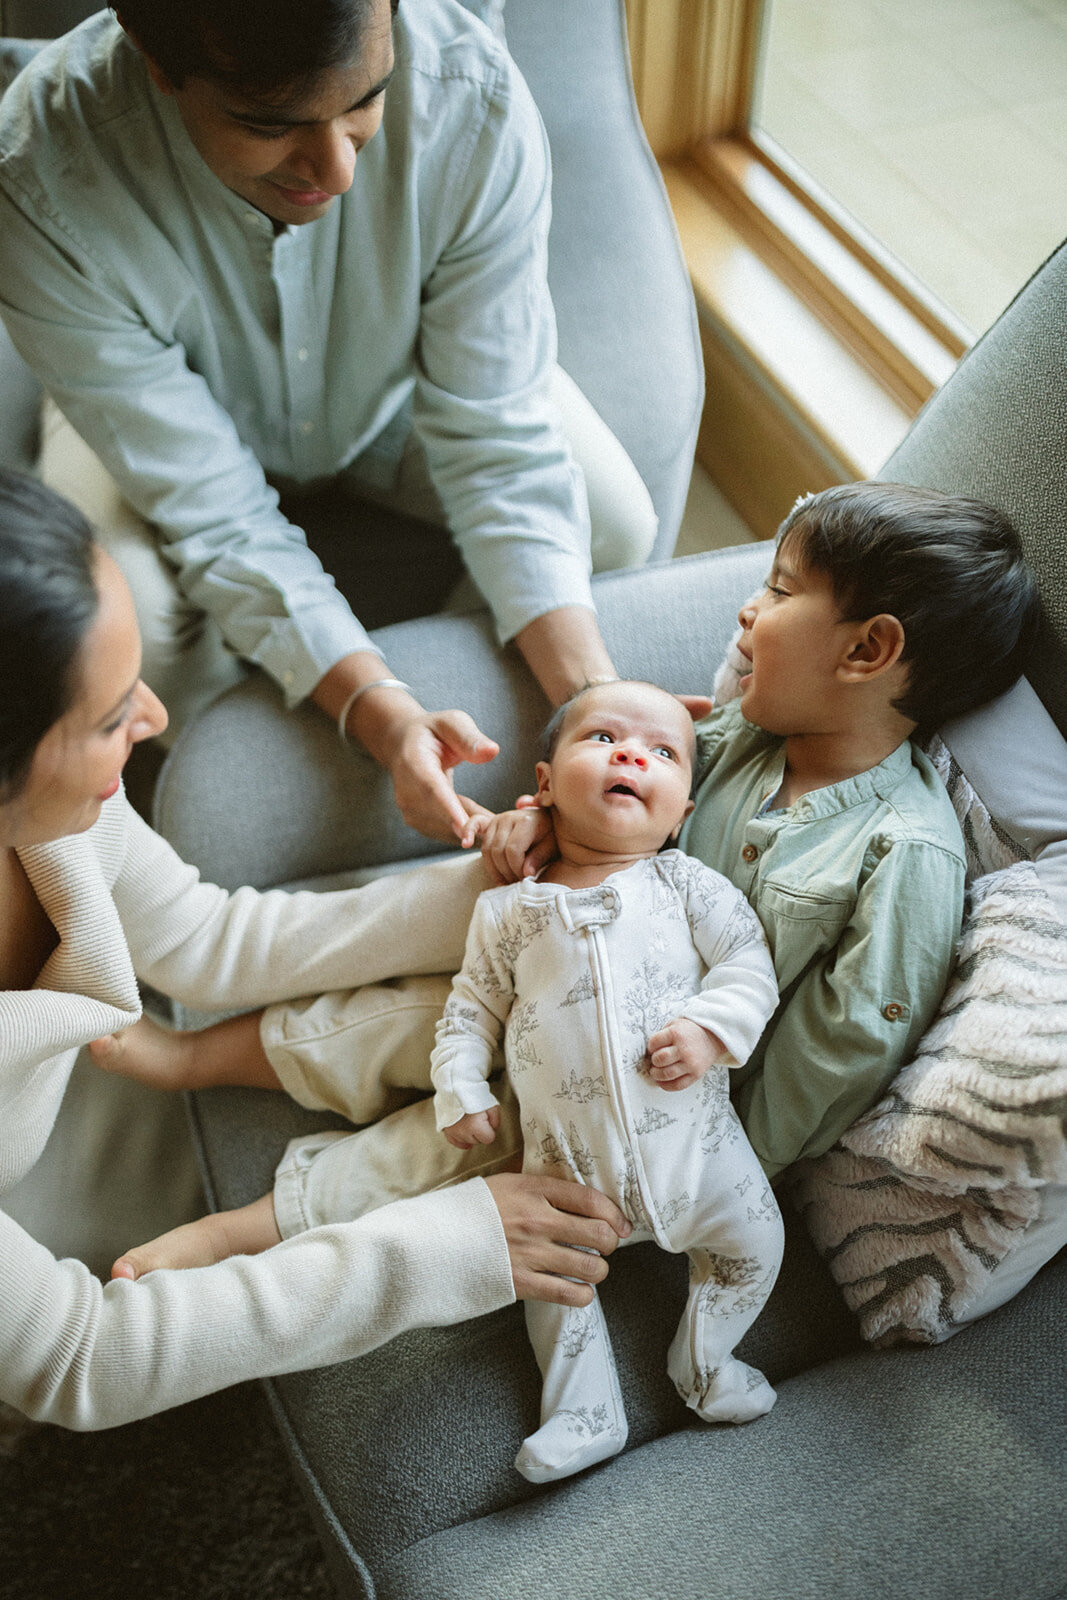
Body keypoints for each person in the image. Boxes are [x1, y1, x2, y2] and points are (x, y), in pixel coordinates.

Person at [96, 481, 1041, 1199]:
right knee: (420, 970)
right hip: (555, 940)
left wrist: (708, 1158)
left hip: (634, 1088)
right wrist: (539, 820)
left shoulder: (904, 852)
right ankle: (205, 998)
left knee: (411, 1115)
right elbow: (622, 800)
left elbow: (838, 1052)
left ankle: (249, 1207)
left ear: (867, 651)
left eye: (779, 590)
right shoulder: (738, 736)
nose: (747, 612)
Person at [0, 468, 632, 1433]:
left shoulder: (56, 817)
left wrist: (505, 893)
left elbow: (205, 939)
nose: (154, 719)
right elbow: (79, 1358)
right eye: (110, 716)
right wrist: (454, 1245)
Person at [0, 0, 652, 844]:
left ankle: (458, 745)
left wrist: (597, 709)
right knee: (139, 633)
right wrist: (379, 715)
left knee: (612, 521)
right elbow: (214, 512)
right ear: (156, 61)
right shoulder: (38, 174)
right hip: (144, 426)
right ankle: (252, 799)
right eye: (270, 124)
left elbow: (496, 440)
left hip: (401, 387)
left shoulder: (472, 97)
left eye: (365, 101)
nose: (337, 171)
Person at [101, 682, 784, 1481]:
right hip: (563, 1166)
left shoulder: (686, 886)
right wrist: (462, 1088)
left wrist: (710, 1030)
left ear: (681, 813)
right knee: (553, 1289)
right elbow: (470, 1009)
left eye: (661, 753)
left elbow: (747, 963)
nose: (631, 754)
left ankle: (706, 1361)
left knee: (755, 1247)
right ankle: (583, 1412)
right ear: (542, 782)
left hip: (701, 1159)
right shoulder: (509, 909)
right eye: (602, 738)